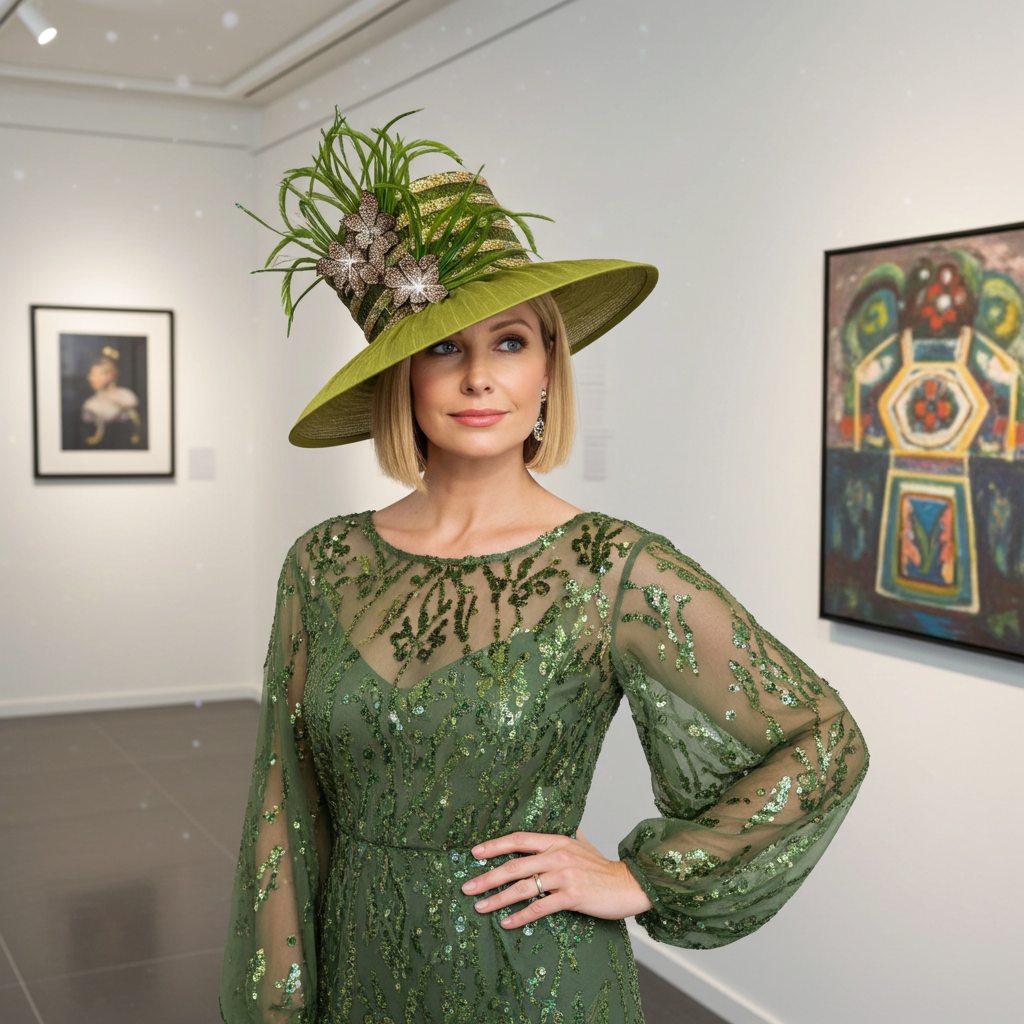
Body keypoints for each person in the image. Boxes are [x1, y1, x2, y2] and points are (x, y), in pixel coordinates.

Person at [220, 112, 868, 1024]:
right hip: (359, 968)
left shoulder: (611, 568)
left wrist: (640, 875)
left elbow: (820, 740)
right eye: (443, 346)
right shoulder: (322, 563)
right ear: (399, 379)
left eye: (510, 342)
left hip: (533, 978)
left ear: (550, 370)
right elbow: (282, 805)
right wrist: (276, 1002)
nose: (479, 377)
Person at [80, 346, 141, 447]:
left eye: (96, 374)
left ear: (110, 375)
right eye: (91, 373)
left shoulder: (126, 396)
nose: (90, 378)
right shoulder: (90, 405)